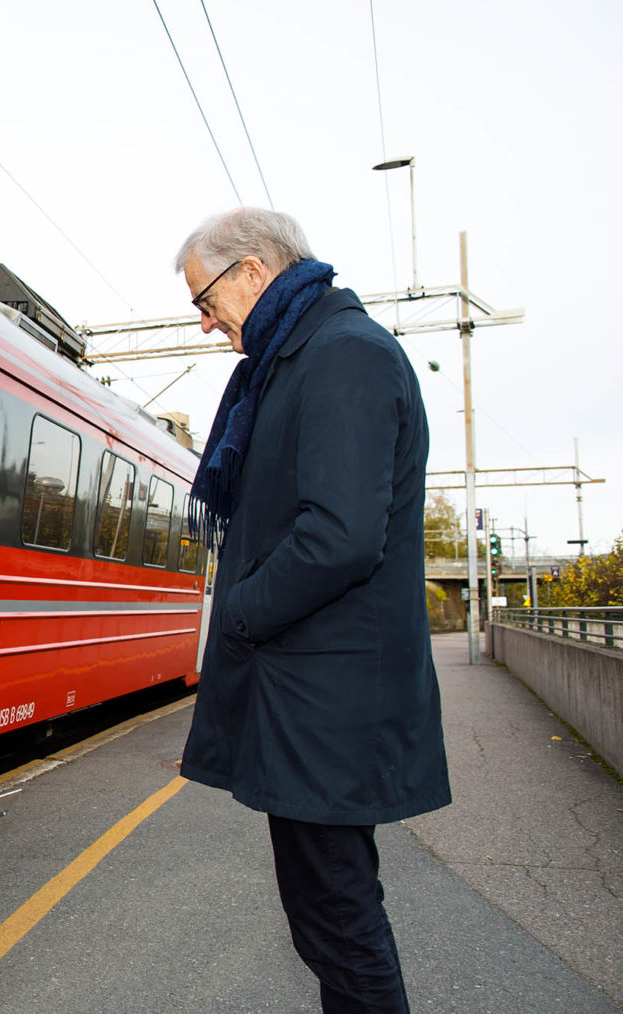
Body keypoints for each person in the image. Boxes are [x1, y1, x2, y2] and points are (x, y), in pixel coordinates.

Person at [175, 207, 451, 1013]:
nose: (204, 323)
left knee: (337, 923)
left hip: (325, 700)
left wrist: (237, 612)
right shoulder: (309, 352)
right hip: (314, 695)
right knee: (329, 919)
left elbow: (339, 536)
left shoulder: (341, 355)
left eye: (206, 299)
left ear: (254, 271)